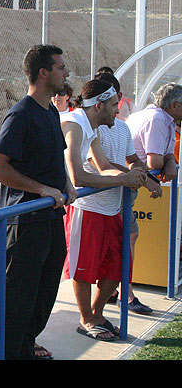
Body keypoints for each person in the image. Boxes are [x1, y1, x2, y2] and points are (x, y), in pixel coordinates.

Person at [0, 44, 78, 360]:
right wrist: (40, 189)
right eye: (61, 67)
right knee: (15, 303)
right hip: (25, 223)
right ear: (43, 73)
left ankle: (24, 351)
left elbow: (56, 157)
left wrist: (66, 184)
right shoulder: (21, 114)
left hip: (50, 219)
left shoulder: (50, 112)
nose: (66, 72)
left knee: (41, 298)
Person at [61, 79, 147, 341]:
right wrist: (124, 179)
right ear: (98, 105)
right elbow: (77, 177)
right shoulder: (74, 123)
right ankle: (86, 318)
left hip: (108, 209)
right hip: (82, 209)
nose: (117, 110)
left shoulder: (91, 127)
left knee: (118, 264)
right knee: (82, 268)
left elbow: (105, 167)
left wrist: (132, 176)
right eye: (113, 105)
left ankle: (96, 314)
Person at [94, 73, 162, 315]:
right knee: (87, 265)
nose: (115, 106)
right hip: (93, 205)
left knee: (127, 241)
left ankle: (122, 294)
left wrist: (142, 174)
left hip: (119, 200)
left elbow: (134, 160)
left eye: (115, 100)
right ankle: (93, 315)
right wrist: (142, 178)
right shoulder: (89, 128)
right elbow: (102, 165)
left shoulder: (122, 127)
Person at [124, 82, 182, 312]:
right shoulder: (157, 119)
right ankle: (125, 294)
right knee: (127, 237)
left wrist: (170, 161)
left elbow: (165, 157)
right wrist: (169, 162)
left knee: (127, 236)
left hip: (131, 184)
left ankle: (117, 289)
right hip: (125, 185)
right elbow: (155, 161)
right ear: (174, 105)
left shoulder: (161, 118)